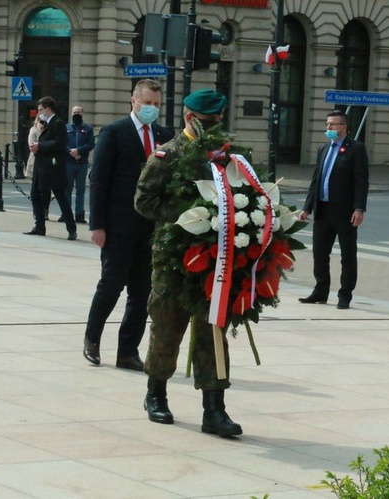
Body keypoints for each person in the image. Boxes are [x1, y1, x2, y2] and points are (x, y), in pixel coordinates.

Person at [134, 89, 243, 438]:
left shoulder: (227, 155)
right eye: (205, 122)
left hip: (216, 259)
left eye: (215, 122)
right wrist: (188, 217)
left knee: (214, 332)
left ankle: (214, 409)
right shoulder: (168, 154)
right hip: (174, 257)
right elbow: (143, 200)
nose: (211, 127)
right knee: (167, 325)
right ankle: (156, 394)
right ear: (188, 117)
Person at [83, 79, 172, 371]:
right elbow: (99, 180)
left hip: (150, 228)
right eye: (147, 103)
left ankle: (127, 351)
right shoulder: (114, 132)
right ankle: (92, 340)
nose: (152, 109)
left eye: (157, 104)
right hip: (118, 226)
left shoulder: (163, 135)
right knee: (111, 285)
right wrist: (97, 225)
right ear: (133, 101)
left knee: (142, 291)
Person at [298, 110, 369, 310]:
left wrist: (359, 208)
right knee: (320, 254)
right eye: (327, 124)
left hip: (345, 212)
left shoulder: (356, 149)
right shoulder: (323, 149)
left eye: (333, 125)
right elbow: (316, 181)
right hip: (323, 210)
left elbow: (361, 181)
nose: (328, 128)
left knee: (347, 254)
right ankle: (321, 290)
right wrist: (307, 208)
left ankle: (345, 294)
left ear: (343, 127)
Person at [24, 96, 77, 240]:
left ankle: (71, 228)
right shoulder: (45, 123)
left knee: (60, 197)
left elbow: (59, 143)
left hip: (53, 167)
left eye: (41, 109)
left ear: (48, 109)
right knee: (35, 194)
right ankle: (39, 226)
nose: (39, 112)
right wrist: (37, 147)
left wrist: (40, 146)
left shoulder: (58, 123)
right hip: (41, 166)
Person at [62, 106, 95, 224]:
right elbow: (62, 143)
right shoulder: (66, 128)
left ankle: (79, 214)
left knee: (80, 189)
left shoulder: (88, 129)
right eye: (74, 112)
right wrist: (72, 152)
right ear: (71, 113)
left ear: (82, 113)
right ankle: (66, 214)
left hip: (82, 163)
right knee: (67, 188)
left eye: (78, 112)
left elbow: (91, 144)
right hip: (68, 162)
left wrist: (79, 151)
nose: (76, 114)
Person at [26, 115, 51, 219]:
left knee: (47, 189)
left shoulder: (50, 129)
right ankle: (37, 211)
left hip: (47, 163)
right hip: (35, 161)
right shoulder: (34, 129)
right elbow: (31, 145)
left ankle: (45, 210)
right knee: (35, 189)